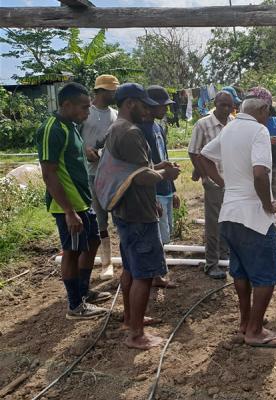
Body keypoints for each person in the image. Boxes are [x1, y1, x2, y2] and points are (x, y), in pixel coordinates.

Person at [199, 86, 276, 348]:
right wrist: (268, 205)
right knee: (266, 275)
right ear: (262, 110)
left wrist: (223, 184)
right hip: (253, 216)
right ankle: (255, 330)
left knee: (240, 272)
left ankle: (244, 322)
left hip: (229, 214)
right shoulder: (259, 131)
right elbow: (261, 174)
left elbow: (204, 155)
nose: (268, 117)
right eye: (268, 112)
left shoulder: (228, 129)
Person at [105, 83, 181, 349]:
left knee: (130, 268)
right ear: (130, 103)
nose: (147, 109)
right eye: (143, 103)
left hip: (128, 210)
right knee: (144, 274)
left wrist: (156, 169)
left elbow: (133, 171)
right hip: (137, 214)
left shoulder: (117, 130)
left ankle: (130, 319)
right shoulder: (130, 132)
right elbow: (142, 177)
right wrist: (165, 175)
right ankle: (136, 334)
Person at [37, 82, 111, 320]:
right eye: (83, 108)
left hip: (82, 201)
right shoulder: (52, 129)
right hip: (68, 206)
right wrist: (69, 212)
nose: (87, 113)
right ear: (66, 104)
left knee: (92, 242)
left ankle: (84, 291)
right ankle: (75, 306)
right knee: (71, 251)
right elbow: (49, 173)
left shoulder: (71, 126)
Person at [189, 91, 234, 279]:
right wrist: (205, 174)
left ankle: (224, 254)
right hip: (214, 182)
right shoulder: (203, 124)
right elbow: (193, 152)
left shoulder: (233, 122)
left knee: (228, 220)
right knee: (213, 224)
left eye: (229, 106)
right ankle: (211, 264)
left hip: (231, 181)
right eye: (222, 105)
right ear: (215, 104)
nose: (225, 109)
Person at [140, 85, 180, 289]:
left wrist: (173, 189)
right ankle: (156, 275)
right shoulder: (139, 131)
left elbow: (165, 159)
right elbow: (142, 169)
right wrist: (152, 197)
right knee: (156, 235)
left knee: (165, 233)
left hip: (164, 187)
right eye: (162, 105)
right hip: (152, 190)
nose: (165, 109)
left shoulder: (158, 128)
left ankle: (157, 272)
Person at [81, 74, 119, 281]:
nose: (116, 94)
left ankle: (114, 258)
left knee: (118, 215)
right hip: (92, 173)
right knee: (99, 219)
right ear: (102, 91)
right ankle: (107, 262)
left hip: (112, 174)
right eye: (113, 90)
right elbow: (75, 139)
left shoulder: (115, 114)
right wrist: (85, 148)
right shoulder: (86, 113)